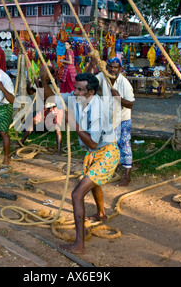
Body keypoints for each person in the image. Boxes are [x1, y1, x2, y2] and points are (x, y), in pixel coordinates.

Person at [40, 69, 119, 254]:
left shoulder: (98, 110)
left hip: (106, 153)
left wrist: (71, 121)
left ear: (90, 92)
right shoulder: (77, 99)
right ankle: (101, 213)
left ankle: (79, 245)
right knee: (92, 183)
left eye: (80, 90)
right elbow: (51, 98)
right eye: (75, 88)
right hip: (94, 153)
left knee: (77, 195)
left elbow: (92, 141)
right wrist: (44, 81)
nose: (75, 92)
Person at [95, 57, 135, 186]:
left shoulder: (125, 83)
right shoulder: (103, 76)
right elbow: (90, 82)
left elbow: (130, 104)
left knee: (124, 143)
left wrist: (118, 98)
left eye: (115, 67)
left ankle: (127, 175)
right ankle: (112, 168)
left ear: (120, 69)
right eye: (110, 67)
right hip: (110, 116)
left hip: (123, 117)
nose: (112, 69)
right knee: (110, 143)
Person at [20, 67, 63, 155]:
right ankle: (21, 142)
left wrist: (39, 86)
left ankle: (59, 150)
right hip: (46, 109)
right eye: (42, 72)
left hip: (55, 108)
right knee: (32, 123)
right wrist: (29, 85)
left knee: (57, 128)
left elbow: (47, 97)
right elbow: (31, 92)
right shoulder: (40, 83)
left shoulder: (52, 84)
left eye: (45, 73)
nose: (42, 75)